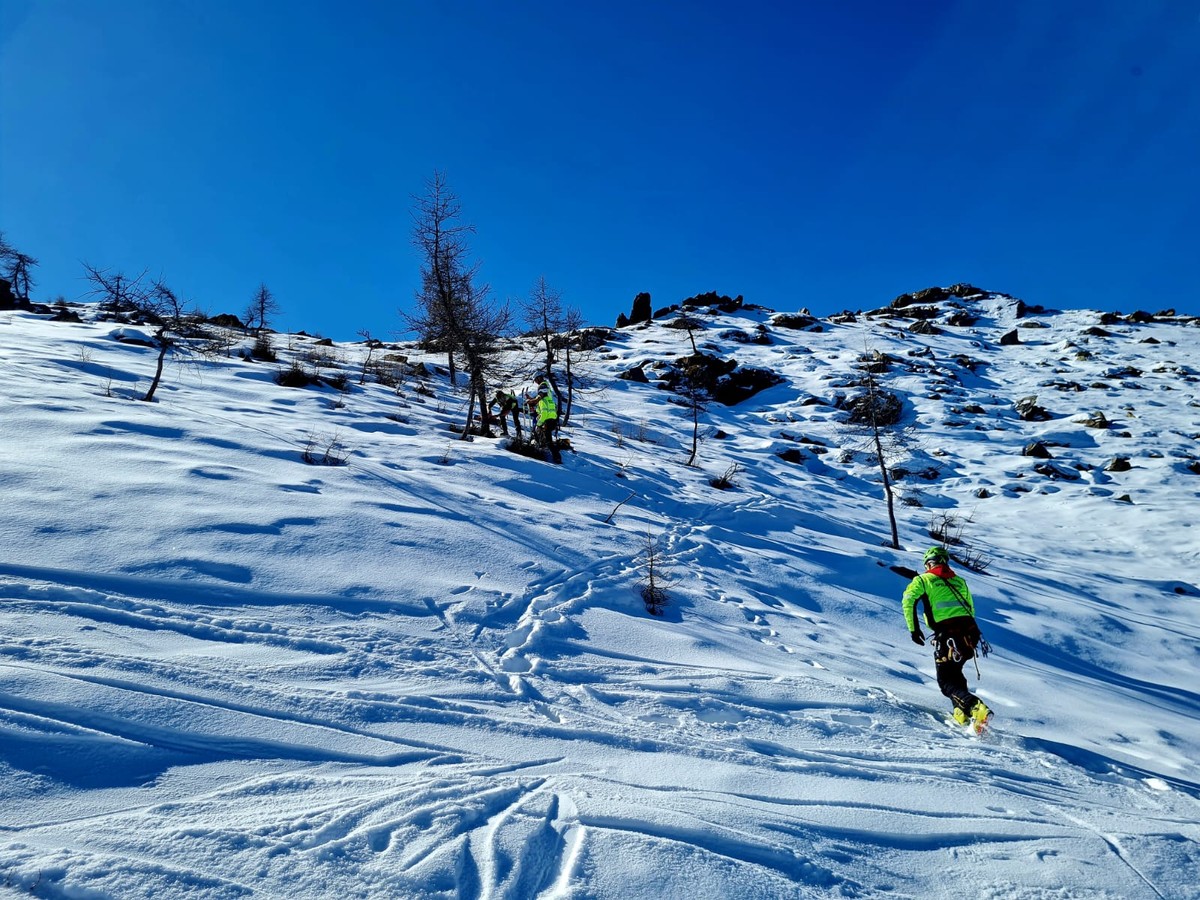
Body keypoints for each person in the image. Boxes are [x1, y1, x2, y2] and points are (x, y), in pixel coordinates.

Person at [902, 546, 992, 731]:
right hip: (970, 635)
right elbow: (971, 609)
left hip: (948, 636)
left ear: (929, 563)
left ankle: (975, 707)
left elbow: (908, 600)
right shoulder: (959, 581)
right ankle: (961, 712)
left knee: (946, 682)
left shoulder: (923, 580)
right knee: (955, 673)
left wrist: (914, 629)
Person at [531, 375, 562, 464]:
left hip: (547, 419)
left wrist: (539, 424)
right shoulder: (547, 391)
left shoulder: (543, 387)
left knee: (548, 440)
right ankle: (541, 447)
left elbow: (544, 412)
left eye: (535, 380)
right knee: (543, 435)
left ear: (538, 378)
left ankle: (557, 457)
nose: (535, 382)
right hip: (552, 418)